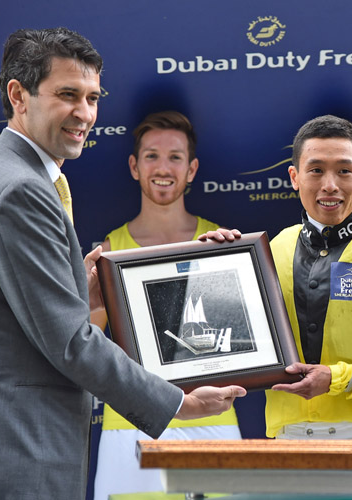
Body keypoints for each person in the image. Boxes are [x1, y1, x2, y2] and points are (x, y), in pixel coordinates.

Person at [0, 28, 244, 499]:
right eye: (68, 95)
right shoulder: (22, 189)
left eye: (93, 97)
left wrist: (74, 287)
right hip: (17, 446)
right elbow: (71, 345)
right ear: (19, 95)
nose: (85, 114)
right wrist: (176, 402)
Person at [204, 115, 352, 478]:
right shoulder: (270, 254)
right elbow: (221, 351)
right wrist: (213, 273)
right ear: (294, 178)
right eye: (316, 170)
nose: (330, 185)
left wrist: (340, 379)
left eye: (344, 171)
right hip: (288, 451)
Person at [92, 110, 241, 500]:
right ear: (134, 166)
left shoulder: (223, 244)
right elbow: (87, 347)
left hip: (213, 419)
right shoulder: (108, 253)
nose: (163, 167)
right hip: (130, 426)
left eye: (175, 157)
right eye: (152, 156)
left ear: (191, 169)